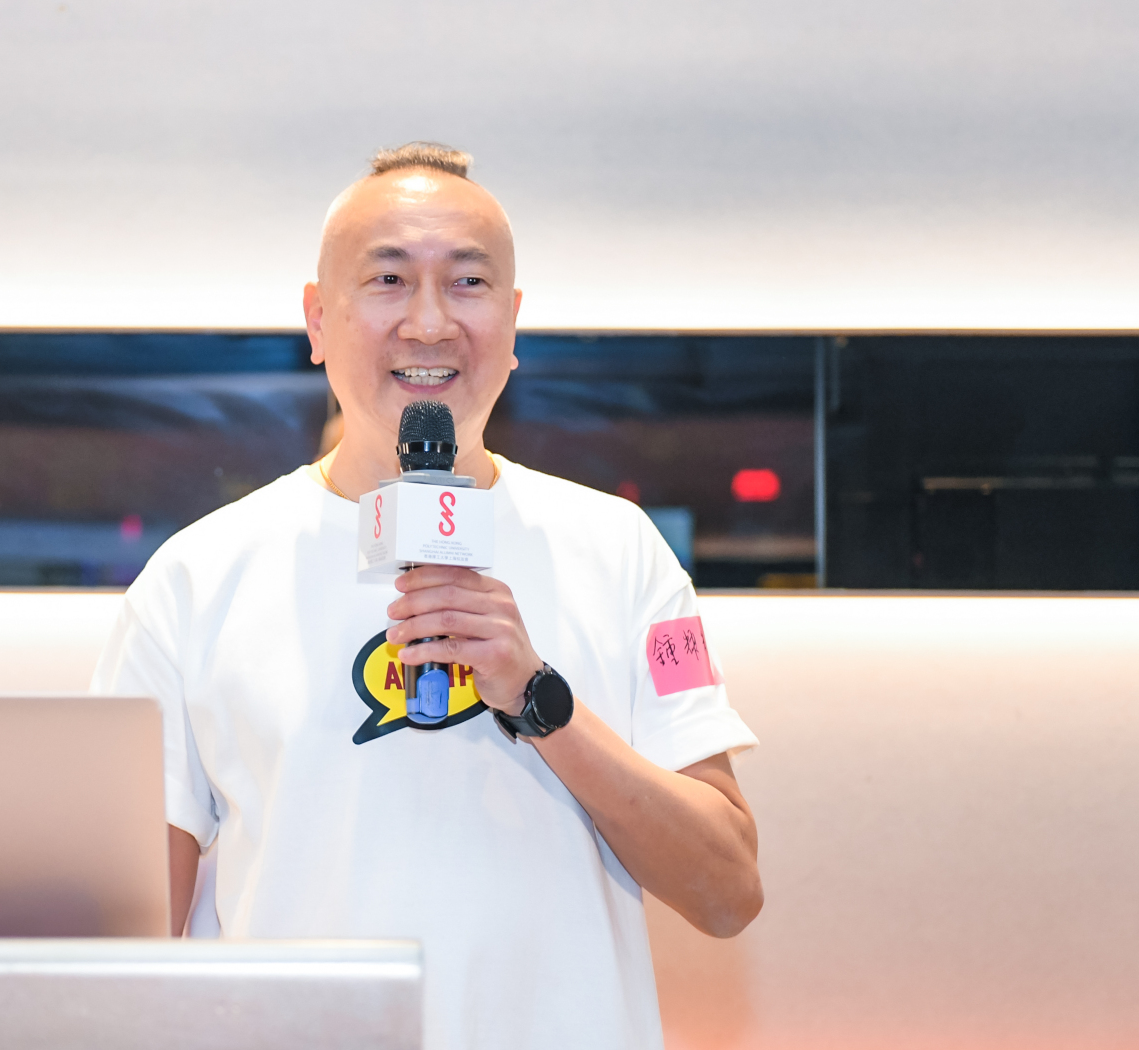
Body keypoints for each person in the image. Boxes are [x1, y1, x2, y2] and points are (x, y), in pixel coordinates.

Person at [91, 142, 761, 1050]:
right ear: (317, 319)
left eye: (468, 283)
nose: (431, 321)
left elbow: (727, 890)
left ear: (513, 323)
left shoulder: (621, 550)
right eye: (390, 280)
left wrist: (543, 701)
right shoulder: (196, 578)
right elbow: (120, 950)